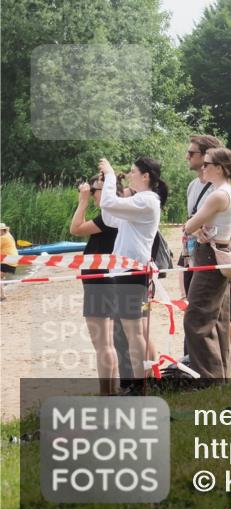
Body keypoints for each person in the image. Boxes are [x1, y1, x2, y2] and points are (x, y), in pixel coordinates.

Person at [97, 156, 168, 395]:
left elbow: (108, 203)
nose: (129, 175)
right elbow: (109, 217)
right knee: (134, 331)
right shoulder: (141, 200)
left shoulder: (146, 200)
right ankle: (145, 382)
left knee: (134, 332)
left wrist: (109, 175)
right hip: (127, 272)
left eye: (133, 171)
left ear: (145, 176)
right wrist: (110, 187)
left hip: (131, 272)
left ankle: (140, 384)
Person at [71, 176, 135, 394]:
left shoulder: (109, 216)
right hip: (112, 279)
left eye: (94, 190)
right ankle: (116, 388)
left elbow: (75, 228)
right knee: (114, 340)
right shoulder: (121, 213)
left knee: (103, 344)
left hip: (99, 282)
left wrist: (82, 201)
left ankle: (107, 393)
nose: (92, 194)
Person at [182, 147, 231, 381]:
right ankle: (220, 376)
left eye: (206, 164)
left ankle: (208, 378)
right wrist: (197, 230)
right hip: (216, 253)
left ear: (219, 168)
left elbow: (189, 225)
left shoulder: (218, 195)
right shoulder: (225, 191)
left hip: (210, 256)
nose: (202, 168)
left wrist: (194, 229)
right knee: (218, 321)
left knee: (196, 319)